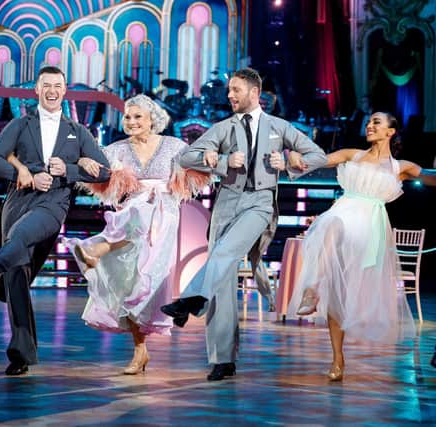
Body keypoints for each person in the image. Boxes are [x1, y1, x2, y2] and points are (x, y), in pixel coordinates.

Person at [160, 68, 327, 381]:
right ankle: (223, 360)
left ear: (254, 92)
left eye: (235, 90)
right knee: (221, 279)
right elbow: (186, 157)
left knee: (225, 254)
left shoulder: (280, 127)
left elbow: (317, 155)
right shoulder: (223, 128)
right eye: (228, 91)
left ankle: (190, 299)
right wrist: (221, 162)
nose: (230, 96)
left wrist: (291, 163)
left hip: (260, 204)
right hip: (226, 205)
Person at [0, 66, 110, 376]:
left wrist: (69, 170)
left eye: (57, 85)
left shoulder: (78, 131)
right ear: (36, 89)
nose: (52, 90)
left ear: (64, 90)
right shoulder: (21, 124)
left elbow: (106, 171)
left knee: (19, 239)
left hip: (53, 204)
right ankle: (21, 352)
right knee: (16, 274)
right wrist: (24, 174)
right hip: (18, 200)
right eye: (46, 85)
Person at [64, 95, 210, 374]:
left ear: (152, 119)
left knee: (146, 278)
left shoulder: (174, 146)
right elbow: (95, 170)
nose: (131, 122)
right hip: (132, 215)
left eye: (137, 117)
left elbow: (201, 166)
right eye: (128, 117)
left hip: (163, 216)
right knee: (128, 286)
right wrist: (84, 161)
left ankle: (100, 248)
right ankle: (139, 352)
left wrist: (212, 158)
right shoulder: (117, 149)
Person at [287, 112, 436, 381]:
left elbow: (429, 176)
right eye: (368, 122)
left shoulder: (400, 166)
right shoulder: (351, 154)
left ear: (390, 132)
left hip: (369, 227)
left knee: (344, 279)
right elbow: (316, 161)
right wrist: (297, 159)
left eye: (377, 122)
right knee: (329, 226)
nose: (370, 125)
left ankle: (316, 288)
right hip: (344, 214)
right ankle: (334, 349)